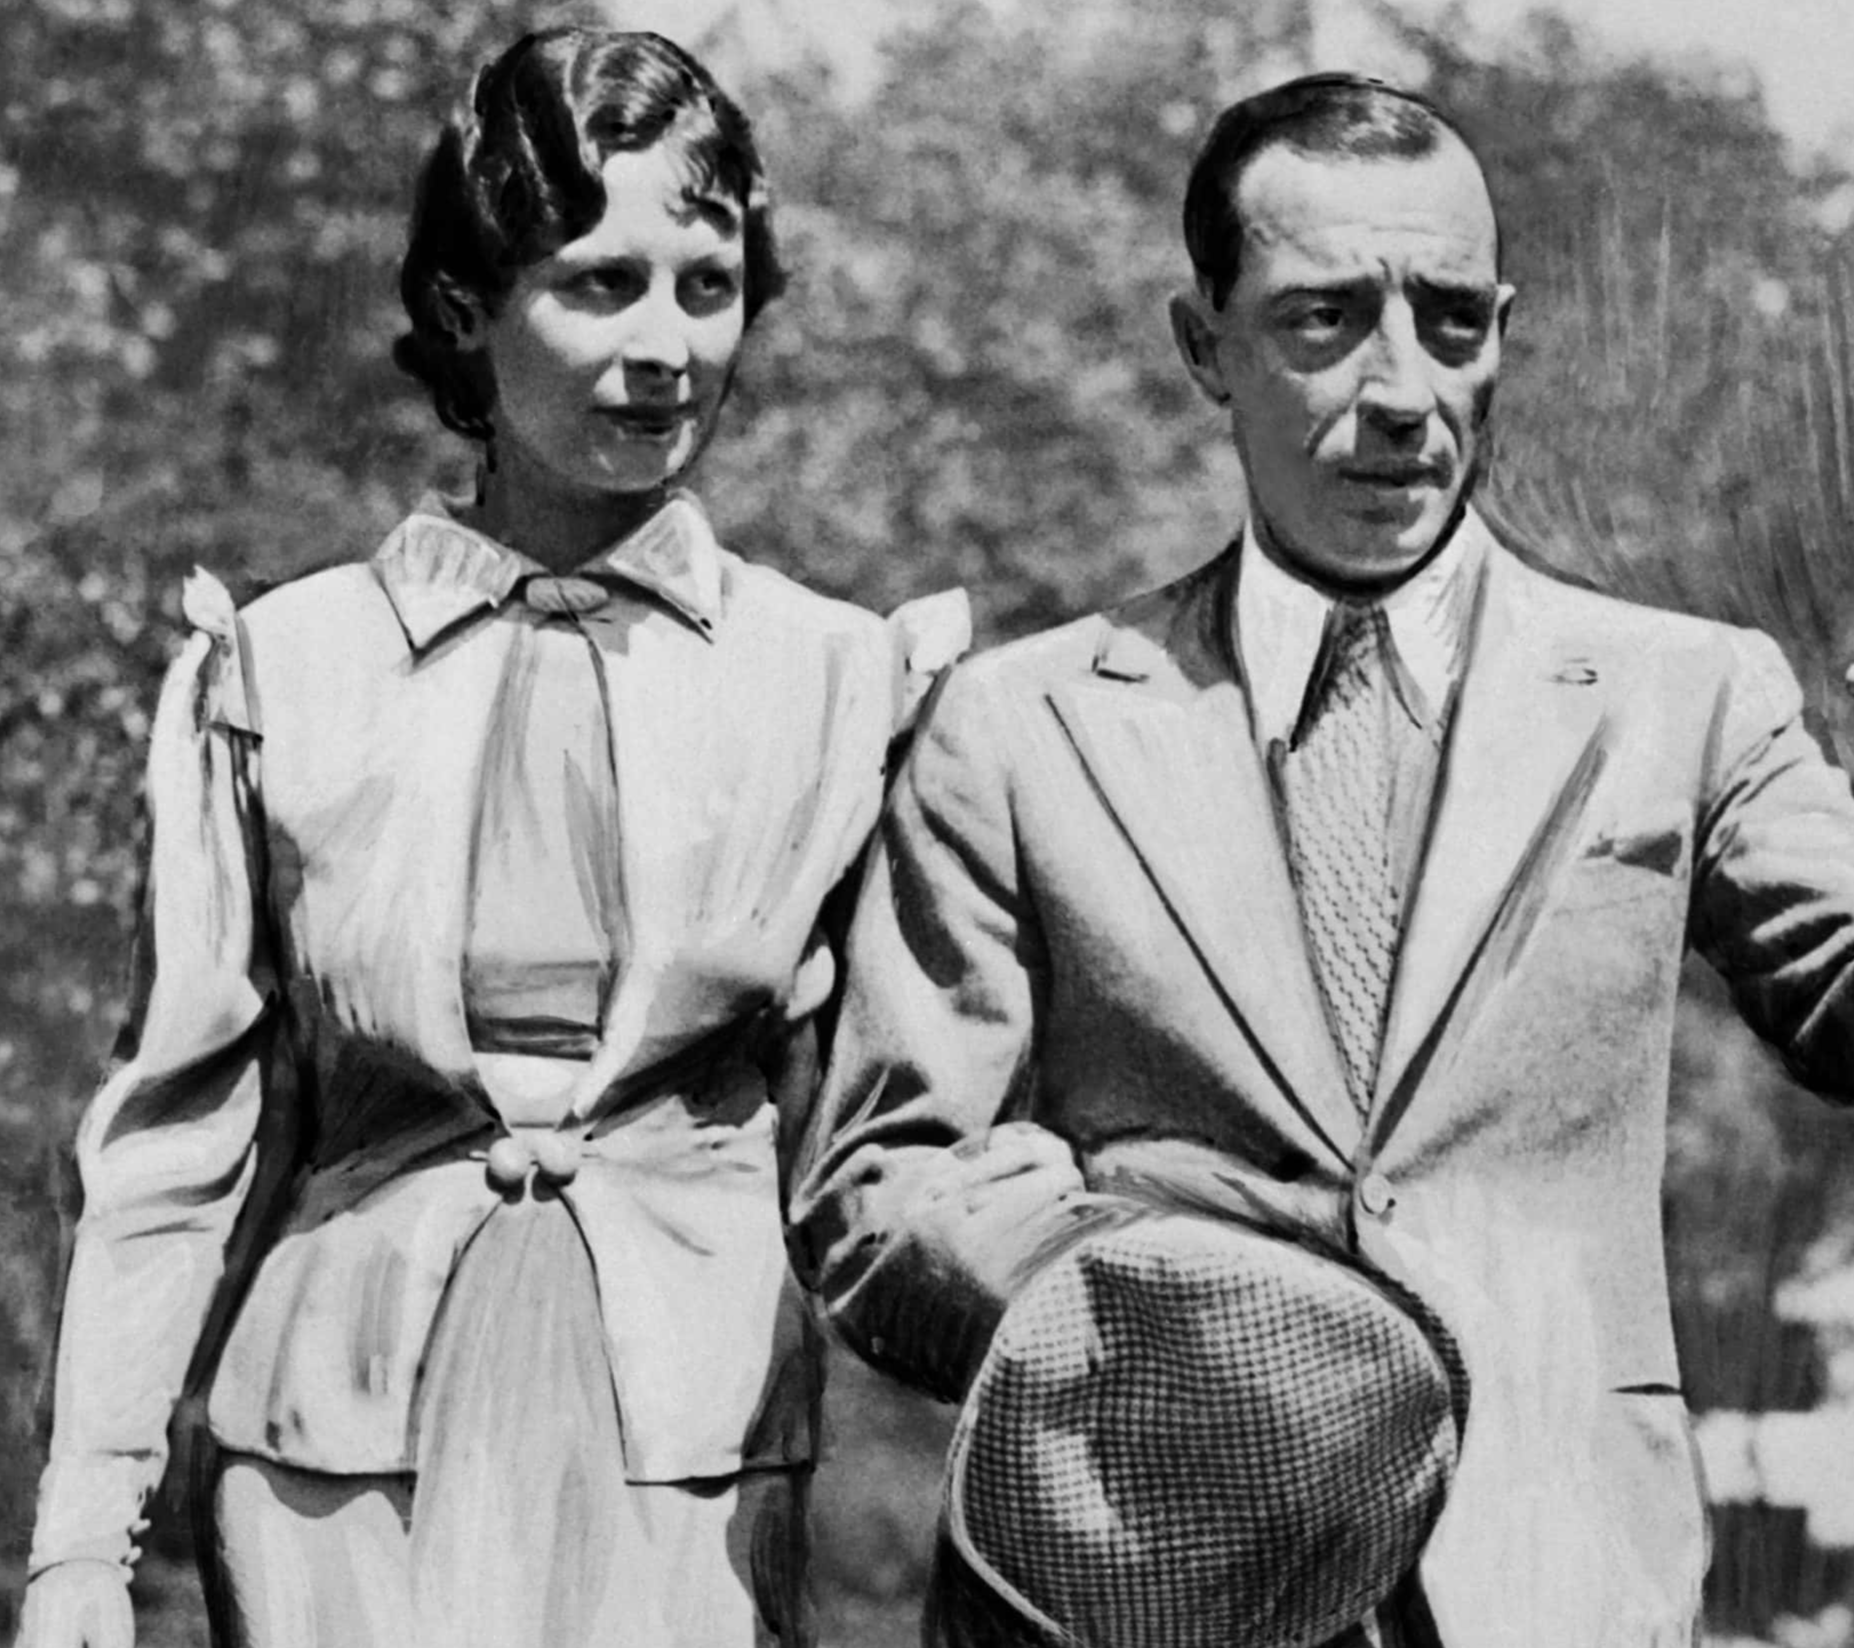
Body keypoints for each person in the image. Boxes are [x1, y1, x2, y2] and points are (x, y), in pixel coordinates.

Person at [788, 72, 1854, 1647]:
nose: (1404, 387)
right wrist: (1131, 1297)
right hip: (1126, 1591)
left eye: (1449, 319)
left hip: (1550, 1583)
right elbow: (876, 1194)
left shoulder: (1689, 695)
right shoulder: (1015, 728)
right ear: (1202, 345)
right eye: (1324, 320)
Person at [14, 28, 962, 1648]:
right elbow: (174, 1149)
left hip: (704, 1451)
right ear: (467, 308)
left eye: (706, 283)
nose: (665, 346)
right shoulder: (284, 673)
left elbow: (899, 1149)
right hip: (336, 1449)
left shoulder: (840, 682)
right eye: (597, 284)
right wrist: (81, 1549)